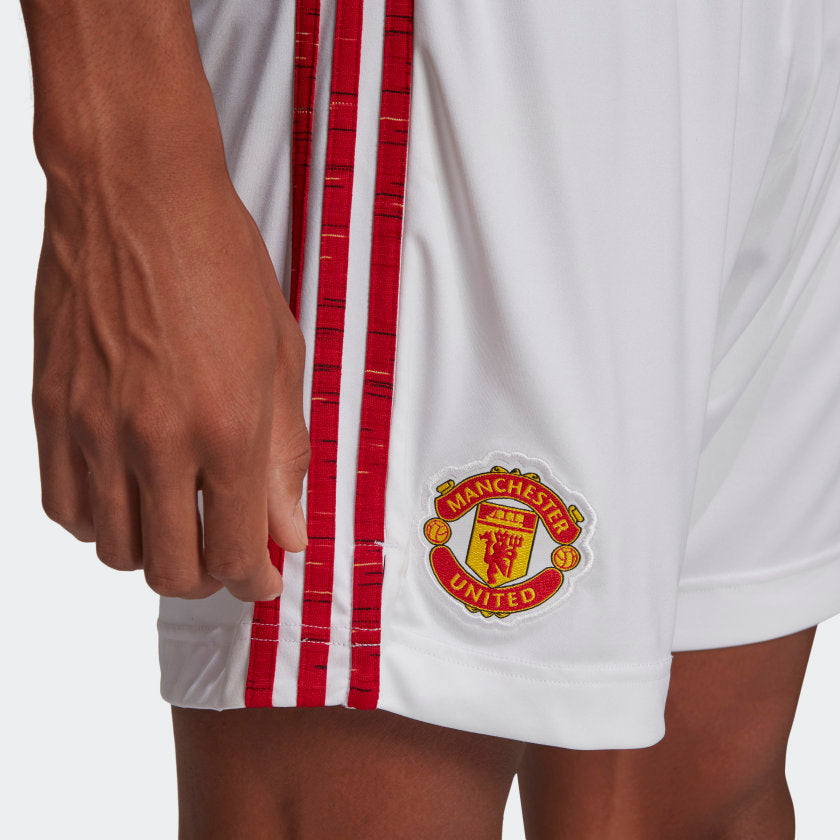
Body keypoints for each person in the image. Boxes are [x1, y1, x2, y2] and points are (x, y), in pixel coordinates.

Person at [20, 0, 840, 837]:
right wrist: (127, 168)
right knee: (356, 788)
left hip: (782, 47)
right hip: (449, 46)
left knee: (705, 799)